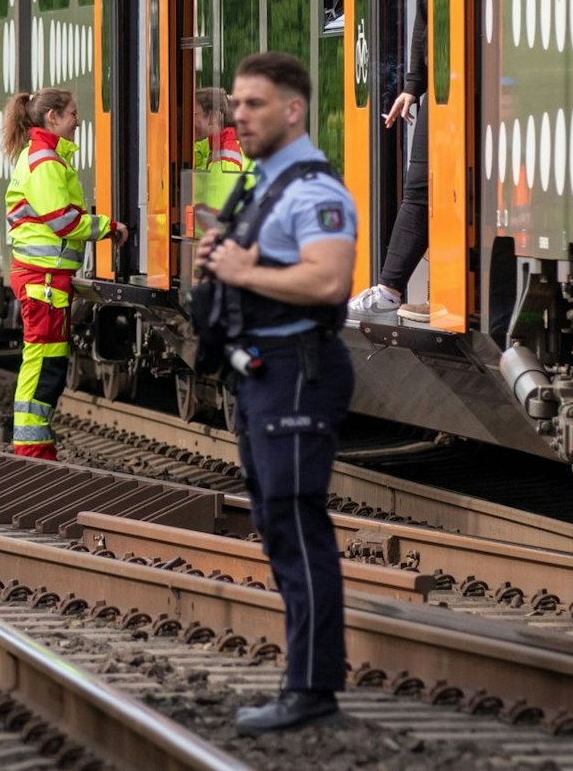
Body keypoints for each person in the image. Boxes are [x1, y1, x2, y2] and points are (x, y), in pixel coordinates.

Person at [195, 51, 357, 736]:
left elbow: (327, 281)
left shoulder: (314, 190)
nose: (239, 114)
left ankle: (312, 688)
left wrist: (241, 269)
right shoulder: (263, 183)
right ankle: (304, 680)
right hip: (263, 372)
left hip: (297, 368)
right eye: (235, 102)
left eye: (254, 103)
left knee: (296, 523)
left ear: (293, 109)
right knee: (278, 523)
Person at [0, 88, 124, 461]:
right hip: (43, 281)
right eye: (72, 113)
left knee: (46, 364)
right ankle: (33, 452)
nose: (78, 120)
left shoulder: (43, 157)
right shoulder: (45, 162)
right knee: (42, 365)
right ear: (52, 117)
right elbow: (63, 221)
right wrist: (110, 227)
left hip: (46, 281)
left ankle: (36, 448)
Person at [351, 0, 432, 325]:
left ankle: (390, 288)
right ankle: (392, 287)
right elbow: (424, 18)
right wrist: (411, 86)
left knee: (421, 187)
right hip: (439, 88)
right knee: (421, 187)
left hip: (459, 88)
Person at [191, 86, 248, 231]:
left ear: (213, 117)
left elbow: (216, 218)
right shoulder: (212, 148)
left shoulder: (225, 156)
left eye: (194, 114)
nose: (189, 121)